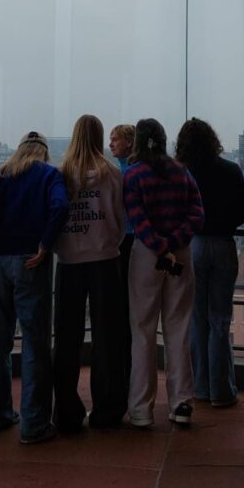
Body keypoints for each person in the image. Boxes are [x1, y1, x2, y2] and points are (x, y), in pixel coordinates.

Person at [0, 131, 69, 445]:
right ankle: (34, 423)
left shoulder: (2, 176)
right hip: (33, 262)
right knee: (35, 342)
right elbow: (60, 207)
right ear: (43, 152)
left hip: (1, 263)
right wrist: (45, 244)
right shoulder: (49, 175)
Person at [124, 118, 204, 428]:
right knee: (178, 328)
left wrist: (159, 246)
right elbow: (198, 213)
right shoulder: (182, 172)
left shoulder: (133, 175)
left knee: (142, 330)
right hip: (180, 254)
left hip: (147, 255)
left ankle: (142, 409)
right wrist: (174, 243)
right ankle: (181, 402)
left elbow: (137, 217)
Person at [53, 114, 128, 432]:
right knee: (108, 338)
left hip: (69, 262)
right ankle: (107, 411)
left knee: (67, 338)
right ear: (99, 138)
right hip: (105, 259)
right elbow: (119, 218)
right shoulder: (112, 173)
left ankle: (67, 413)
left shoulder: (61, 173)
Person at [175, 118, 244, 409]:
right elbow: (242, 213)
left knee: (197, 319)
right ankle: (221, 390)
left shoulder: (182, 172)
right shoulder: (231, 170)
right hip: (223, 246)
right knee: (220, 319)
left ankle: (200, 387)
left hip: (192, 246)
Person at [110, 122, 136, 380]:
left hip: (127, 241)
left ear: (129, 142)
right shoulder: (122, 169)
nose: (110, 145)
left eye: (115, 140)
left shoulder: (126, 171)